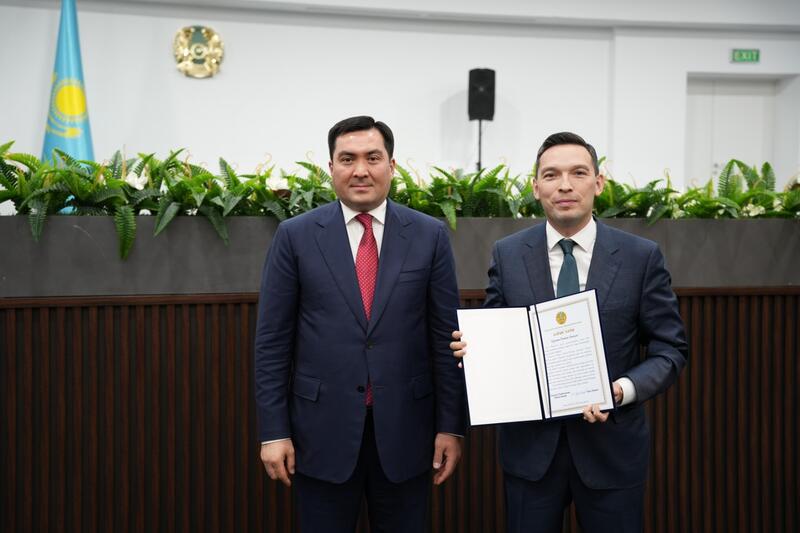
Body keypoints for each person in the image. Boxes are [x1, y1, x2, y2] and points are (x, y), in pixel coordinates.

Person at [451, 132, 688, 533]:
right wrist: (475, 352)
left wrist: (619, 391)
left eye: (578, 173)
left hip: (612, 449)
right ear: (535, 187)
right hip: (530, 451)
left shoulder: (640, 256)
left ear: (598, 182)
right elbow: (499, 335)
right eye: (551, 175)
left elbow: (670, 349)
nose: (564, 185)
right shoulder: (508, 254)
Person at [254, 115, 466, 532]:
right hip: (320, 434)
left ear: (392, 165)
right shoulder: (295, 236)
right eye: (347, 159)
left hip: (408, 433)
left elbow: (446, 339)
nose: (360, 170)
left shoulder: (429, 235)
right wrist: (273, 432)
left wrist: (450, 427)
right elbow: (272, 343)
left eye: (373, 157)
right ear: (330, 167)